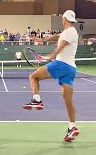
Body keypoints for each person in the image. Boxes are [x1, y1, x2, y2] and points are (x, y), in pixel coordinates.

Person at [22, 10, 79, 142]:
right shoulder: (70, 32)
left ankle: (37, 100)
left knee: (33, 77)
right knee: (68, 100)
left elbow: (62, 45)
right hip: (71, 69)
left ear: (64, 19)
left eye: (62, 18)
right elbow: (58, 36)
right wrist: (43, 40)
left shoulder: (69, 32)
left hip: (61, 64)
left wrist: (51, 56)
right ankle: (72, 127)